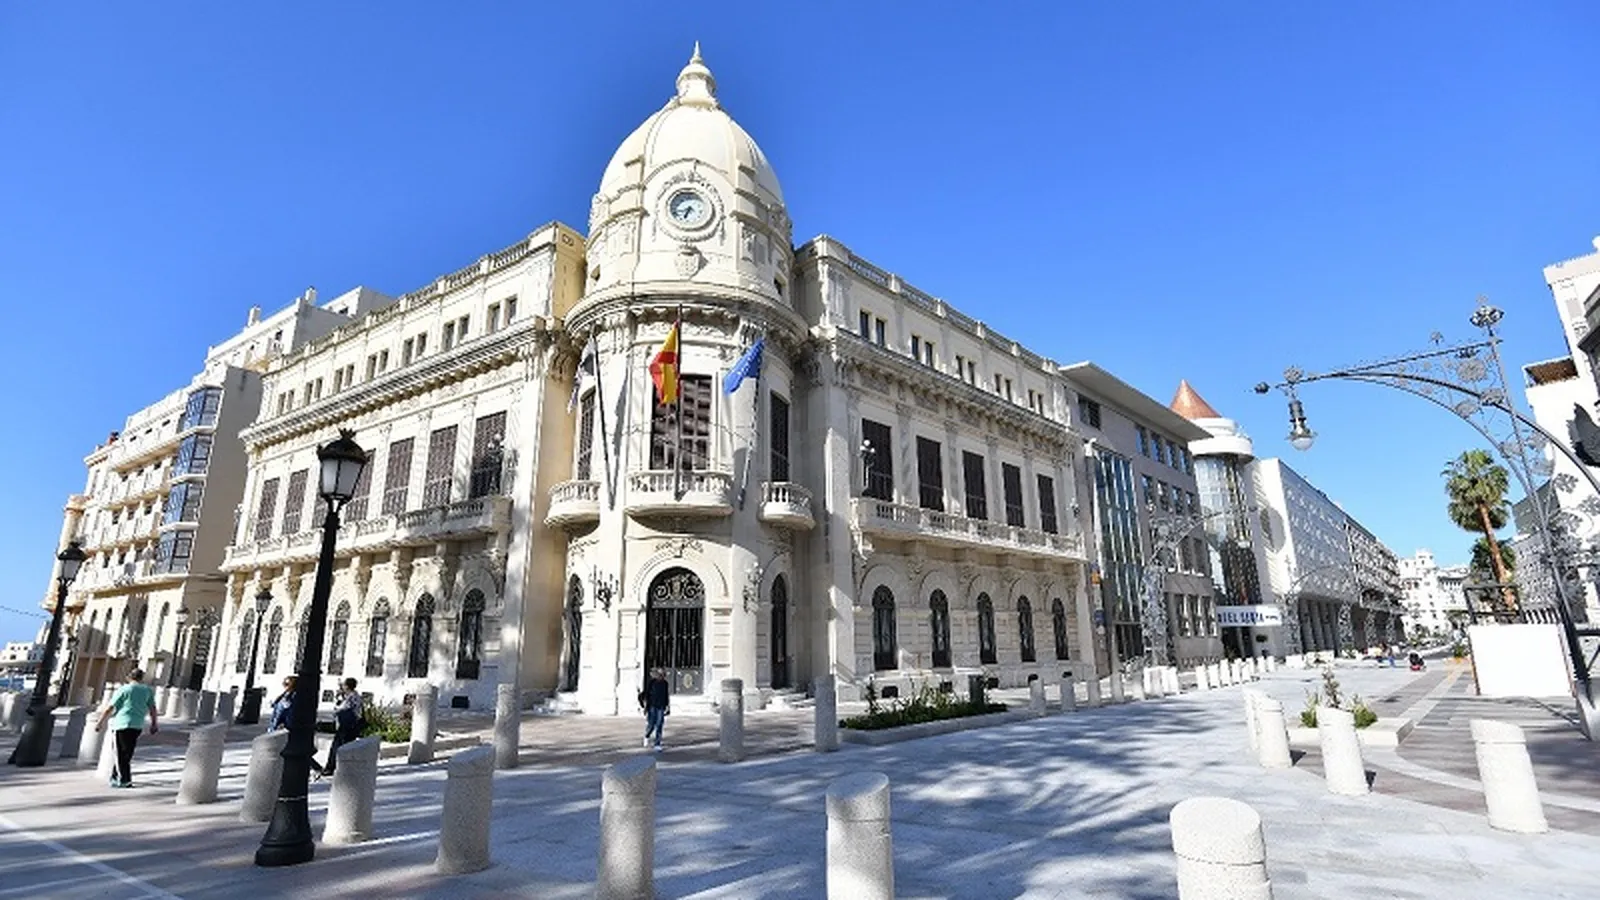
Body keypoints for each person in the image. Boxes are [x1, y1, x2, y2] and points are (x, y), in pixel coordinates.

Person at [95, 668, 158, 788]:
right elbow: (152, 708)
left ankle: (124, 779)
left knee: (120, 753)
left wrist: (100, 722)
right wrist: (154, 723)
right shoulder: (147, 690)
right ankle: (115, 777)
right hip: (137, 725)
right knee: (127, 752)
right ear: (141, 678)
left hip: (122, 724)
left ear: (129, 677)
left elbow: (110, 707)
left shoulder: (124, 689)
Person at [321, 678, 363, 778]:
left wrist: (338, 701)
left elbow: (341, 709)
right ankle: (340, 767)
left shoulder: (351, 697)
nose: (342, 687)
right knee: (345, 746)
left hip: (347, 726)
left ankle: (332, 768)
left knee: (337, 746)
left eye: (344, 685)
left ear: (347, 686)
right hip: (351, 725)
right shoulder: (355, 696)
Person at [638, 668, 670, 752]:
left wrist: (667, 706)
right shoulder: (651, 683)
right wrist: (644, 706)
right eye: (660, 674)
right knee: (651, 724)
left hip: (661, 706)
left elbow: (666, 695)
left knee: (659, 724)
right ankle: (647, 735)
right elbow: (646, 694)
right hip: (652, 706)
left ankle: (657, 743)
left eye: (663, 674)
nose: (661, 676)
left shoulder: (665, 683)